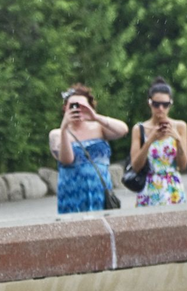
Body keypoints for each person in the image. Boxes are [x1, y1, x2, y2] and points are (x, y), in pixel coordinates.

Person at [49, 83, 129, 214]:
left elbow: (123, 130)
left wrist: (95, 117)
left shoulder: (99, 128)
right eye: (72, 106)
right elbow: (67, 160)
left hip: (100, 192)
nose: (77, 109)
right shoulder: (57, 134)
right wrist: (64, 128)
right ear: (65, 108)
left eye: (82, 106)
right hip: (72, 193)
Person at [130, 77, 187, 207]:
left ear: (170, 104)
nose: (161, 108)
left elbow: (183, 165)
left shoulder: (180, 126)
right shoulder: (139, 129)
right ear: (150, 103)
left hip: (173, 185)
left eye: (165, 105)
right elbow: (136, 166)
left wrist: (177, 139)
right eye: (156, 104)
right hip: (149, 185)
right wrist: (150, 140)